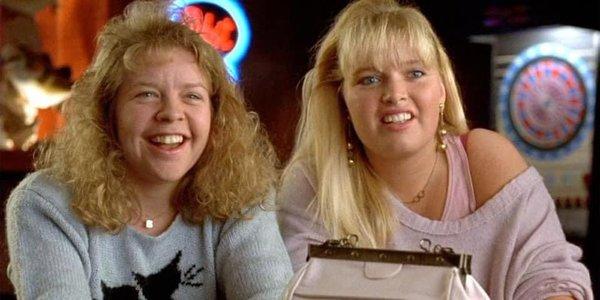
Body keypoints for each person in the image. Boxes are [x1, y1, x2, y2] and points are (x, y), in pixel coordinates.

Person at [277, 0, 592, 299]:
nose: (395, 94)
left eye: (415, 73)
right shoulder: (313, 184)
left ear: (441, 89)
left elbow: (547, 275)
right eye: (369, 79)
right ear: (342, 100)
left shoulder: (483, 159)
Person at [6, 1, 292, 299]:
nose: (171, 113)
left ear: (215, 116)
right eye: (147, 94)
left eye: (192, 96)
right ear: (107, 113)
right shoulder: (45, 204)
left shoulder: (244, 199)